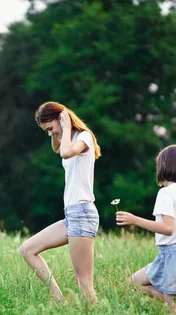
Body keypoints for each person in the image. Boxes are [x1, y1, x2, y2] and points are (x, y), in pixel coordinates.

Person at [116, 144, 176, 315]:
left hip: (174, 255)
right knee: (134, 281)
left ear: (163, 167)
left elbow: (168, 228)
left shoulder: (166, 193)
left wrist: (134, 220)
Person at [19, 101, 101, 303]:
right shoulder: (68, 139)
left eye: (50, 128)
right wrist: (59, 132)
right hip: (72, 215)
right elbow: (58, 149)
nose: (49, 133)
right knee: (27, 250)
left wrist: (64, 127)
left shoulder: (84, 137)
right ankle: (59, 301)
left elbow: (65, 152)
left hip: (83, 213)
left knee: (83, 281)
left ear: (61, 119)